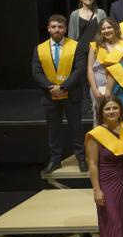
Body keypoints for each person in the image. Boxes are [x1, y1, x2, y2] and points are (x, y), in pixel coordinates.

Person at [32, 14, 88, 174]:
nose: (57, 30)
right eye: (54, 27)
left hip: (71, 95)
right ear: (49, 28)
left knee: (76, 129)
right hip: (50, 95)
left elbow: (79, 70)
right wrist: (51, 87)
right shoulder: (39, 48)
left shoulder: (76, 46)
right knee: (53, 130)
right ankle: (55, 160)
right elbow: (36, 72)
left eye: (60, 27)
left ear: (65, 29)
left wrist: (63, 87)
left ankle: (81, 159)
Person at [86, 96, 123, 237]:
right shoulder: (95, 135)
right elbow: (92, 165)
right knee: (115, 225)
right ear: (102, 113)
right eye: (107, 109)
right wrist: (96, 190)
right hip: (108, 184)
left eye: (115, 108)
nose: (112, 111)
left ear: (121, 110)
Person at [88, 18, 123, 119]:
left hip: (119, 86)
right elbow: (89, 69)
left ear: (115, 28)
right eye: (103, 29)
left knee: (119, 115)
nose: (106, 30)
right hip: (99, 87)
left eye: (109, 27)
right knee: (100, 116)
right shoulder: (95, 46)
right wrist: (94, 90)